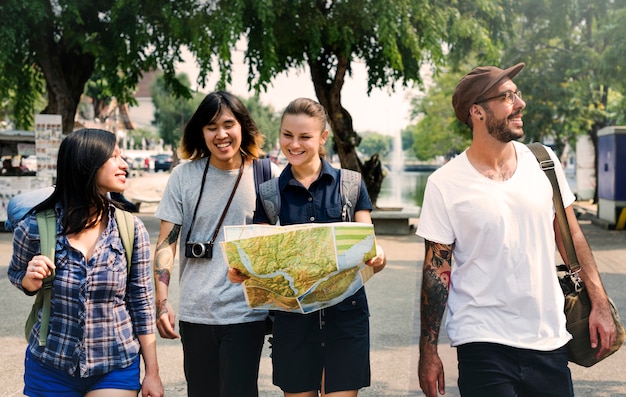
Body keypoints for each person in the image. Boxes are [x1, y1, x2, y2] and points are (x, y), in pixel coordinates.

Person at [416, 63, 617, 397]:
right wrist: (428, 351)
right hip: (482, 342)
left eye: (517, 94)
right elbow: (437, 270)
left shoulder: (543, 162)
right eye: (507, 96)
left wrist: (599, 303)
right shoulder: (444, 183)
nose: (520, 103)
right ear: (477, 111)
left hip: (549, 337)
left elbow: (571, 237)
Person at [229, 97, 387, 397]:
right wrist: (244, 272)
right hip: (293, 324)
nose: (294, 144)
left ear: (323, 137)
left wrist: (379, 257)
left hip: (346, 318)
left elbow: (370, 246)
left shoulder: (351, 185)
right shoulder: (269, 193)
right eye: (287, 135)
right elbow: (262, 261)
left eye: (305, 136)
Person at [7, 128, 163, 397]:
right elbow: (16, 273)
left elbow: (141, 301)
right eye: (113, 157)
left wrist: (152, 373)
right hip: (50, 364)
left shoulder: (130, 228)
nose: (123, 164)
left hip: (115, 365)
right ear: (86, 164)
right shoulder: (34, 226)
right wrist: (28, 281)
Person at [153, 91, 277, 397]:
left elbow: (282, 242)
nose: (221, 134)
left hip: (246, 315)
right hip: (196, 314)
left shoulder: (266, 175)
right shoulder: (183, 176)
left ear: (242, 127)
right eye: (211, 127)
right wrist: (162, 300)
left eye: (228, 124)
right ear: (201, 132)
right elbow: (166, 243)